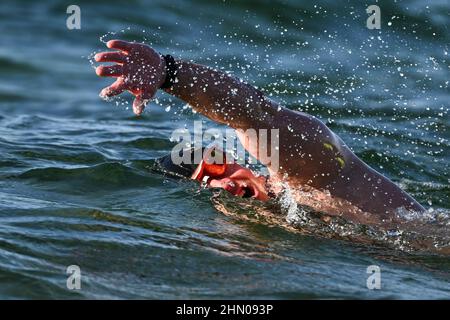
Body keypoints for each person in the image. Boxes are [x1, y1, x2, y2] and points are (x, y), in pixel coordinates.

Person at [94, 40, 424, 219]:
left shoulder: (305, 171)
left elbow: (253, 113)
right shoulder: (272, 227)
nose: (221, 184)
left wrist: (169, 73)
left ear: (226, 159)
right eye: (206, 185)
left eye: (214, 169)